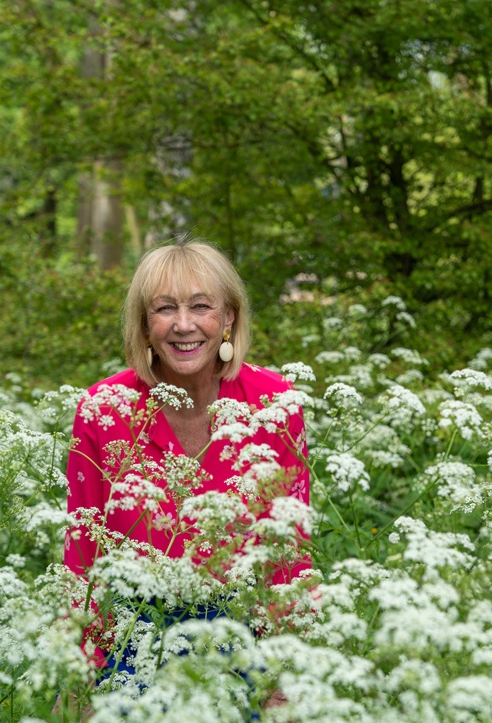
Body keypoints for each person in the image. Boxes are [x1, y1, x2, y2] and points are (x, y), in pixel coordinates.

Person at [64, 239, 310, 669]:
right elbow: (83, 551)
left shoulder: (274, 404)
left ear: (229, 317)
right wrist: (82, 664)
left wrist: (284, 671)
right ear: (144, 325)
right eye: (164, 309)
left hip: (243, 634)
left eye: (200, 306)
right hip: (131, 633)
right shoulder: (103, 409)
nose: (183, 325)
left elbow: (289, 548)